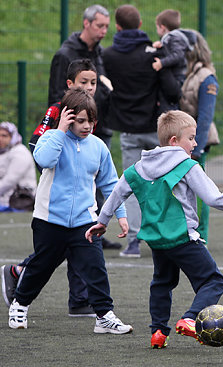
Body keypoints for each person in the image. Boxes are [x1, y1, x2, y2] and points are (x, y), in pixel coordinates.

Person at [85, 110, 223, 348]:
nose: (195, 143)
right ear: (174, 142)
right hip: (183, 238)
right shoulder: (187, 165)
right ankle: (190, 318)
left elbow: (117, 192)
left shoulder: (139, 167)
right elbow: (212, 198)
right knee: (214, 280)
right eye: (191, 138)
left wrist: (103, 220)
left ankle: (158, 331)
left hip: (157, 241)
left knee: (162, 283)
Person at [8, 89, 132, 335]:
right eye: (80, 120)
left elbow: (110, 184)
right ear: (67, 117)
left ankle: (104, 316)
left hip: (85, 221)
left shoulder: (98, 147)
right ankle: (20, 303)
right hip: (49, 220)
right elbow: (43, 160)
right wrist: (60, 130)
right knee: (41, 266)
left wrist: (121, 214)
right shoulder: (51, 139)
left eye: (91, 121)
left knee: (95, 267)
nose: (87, 126)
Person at [1, 59, 103, 317]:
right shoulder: (58, 110)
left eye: (93, 83)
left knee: (80, 245)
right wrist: (55, 169)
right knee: (56, 251)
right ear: (69, 84)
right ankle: (21, 274)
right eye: (84, 82)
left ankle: (79, 300)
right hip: (55, 199)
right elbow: (39, 147)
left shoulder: (91, 115)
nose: (89, 88)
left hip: (81, 195)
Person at [102, 4, 181, 258]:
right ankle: (172, 236)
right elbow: (172, 90)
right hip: (158, 128)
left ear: (117, 27)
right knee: (169, 183)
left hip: (128, 128)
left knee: (132, 185)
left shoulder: (109, 55)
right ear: (139, 25)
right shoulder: (151, 55)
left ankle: (134, 242)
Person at [48, 4, 119, 251]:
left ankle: (94, 226)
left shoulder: (99, 54)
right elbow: (57, 96)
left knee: (100, 179)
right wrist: (63, 126)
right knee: (68, 179)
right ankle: (60, 229)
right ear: (86, 23)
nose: (103, 31)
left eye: (107, 26)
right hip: (69, 132)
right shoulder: (65, 54)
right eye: (100, 25)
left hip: (99, 128)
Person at [179, 30, 219, 242]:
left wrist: (197, 147)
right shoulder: (185, 72)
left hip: (195, 144)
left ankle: (200, 234)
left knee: (200, 190)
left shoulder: (206, 77)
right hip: (180, 141)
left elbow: (205, 117)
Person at [152, 9, 197, 87]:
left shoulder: (175, 38)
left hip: (178, 77)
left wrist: (162, 63)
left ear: (162, 28)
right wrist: (160, 45)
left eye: (157, 28)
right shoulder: (171, 38)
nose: (157, 30)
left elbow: (178, 55)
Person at [0, 122, 36, 210]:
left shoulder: (20, 152)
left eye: (4, 136)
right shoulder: (4, 152)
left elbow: (10, 180)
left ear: (13, 137)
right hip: (6, 201)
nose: (0, 139)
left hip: (21, 201)